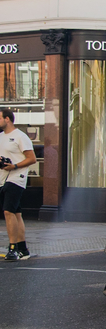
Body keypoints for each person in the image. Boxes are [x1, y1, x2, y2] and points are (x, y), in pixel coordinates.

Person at [0, 108, 36, 261]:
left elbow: (32, 159)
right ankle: (23, 249)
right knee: (16, 213)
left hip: (17, 178)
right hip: (4, 177)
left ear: (7, 119)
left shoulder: (20, 136)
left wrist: (14, 166)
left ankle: (13, 248)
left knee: (8, 211)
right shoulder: (1, 137)